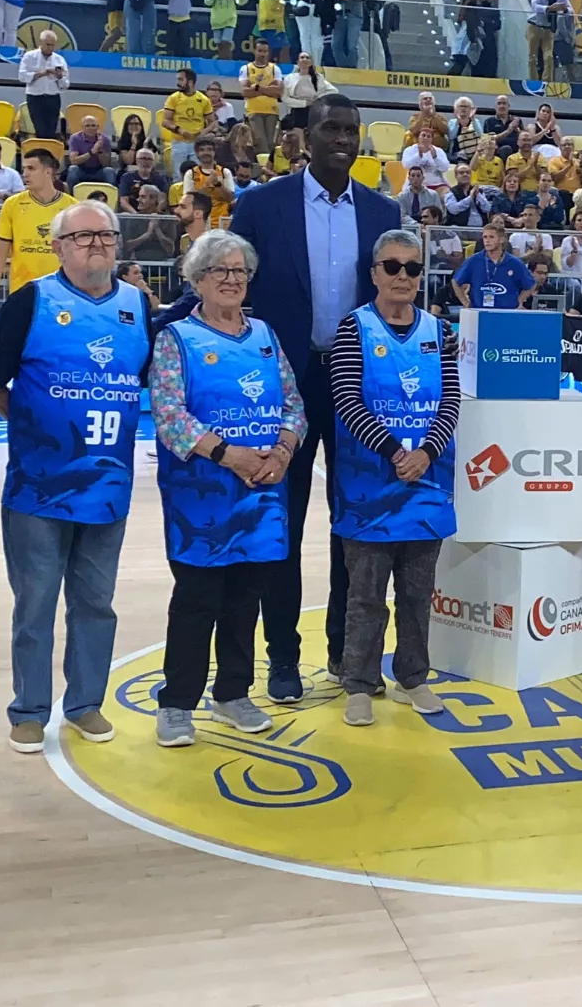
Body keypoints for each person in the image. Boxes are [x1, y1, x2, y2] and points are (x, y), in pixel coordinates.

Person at [228, 93, 401, 690]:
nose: (343, 140)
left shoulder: (382, 210)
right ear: (306, 136)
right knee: (284, 519)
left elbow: (393, 300)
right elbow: (230, 285)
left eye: (352, 130)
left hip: (356, 384)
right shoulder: (261, 204)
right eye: (332, 128)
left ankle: (345, 652)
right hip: (283, 384)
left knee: (351, 523)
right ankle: (282, 655)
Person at [0, 201, 152, 753]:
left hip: (109, 486)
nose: (97, 244)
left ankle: (84, 703)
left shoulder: (137, 305)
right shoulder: (31, 301)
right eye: (83, 236)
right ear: (58, 247)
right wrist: (37, 426)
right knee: (35, 604)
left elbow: (147, 381)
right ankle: (29, 709)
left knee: (96, 603)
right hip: (39, 486)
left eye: (106, 235)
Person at [148, 231, 305, 745]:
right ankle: (177, 703)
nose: (233, 279)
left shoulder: (265, 335)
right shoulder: (176, 338)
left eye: (240, 271)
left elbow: (294, 405)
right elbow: (169, 415)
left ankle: (233, 694)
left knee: (245, 599)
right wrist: (228, 454)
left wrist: (282, 452)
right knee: (196, 601)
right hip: (201, 501)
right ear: (197, 280)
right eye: (221, 270)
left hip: (262, 495)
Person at [328, 230, 460, 726]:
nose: (402, 276)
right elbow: (347, 400)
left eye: (412, 267)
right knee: (365, 597)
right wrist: (395, 452)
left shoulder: (438, 331)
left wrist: (425, 453)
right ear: (374, 274)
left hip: (427, 485)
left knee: (417, 594)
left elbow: (451, 399)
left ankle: (413, 677)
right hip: (368, 489)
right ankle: (360, 683)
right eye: (392, 266)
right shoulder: (354, 328)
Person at [0, 147, 71, 299]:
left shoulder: (72, 208)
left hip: (61, 294)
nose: (25, 174)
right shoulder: (12, 205)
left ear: (48, 172)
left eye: (31, 168)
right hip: (21, 292)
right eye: (24, 169)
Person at [18, 29, 69, 140]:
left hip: (53, 97)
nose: (50, 47)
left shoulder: (59, 59)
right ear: (41, 43)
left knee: (51, 130)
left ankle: (48, 150)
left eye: (52, 45)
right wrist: (42, 73)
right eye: (47, 44)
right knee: (40, 129)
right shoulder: (29, 56)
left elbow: (65, 84)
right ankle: (41, 149)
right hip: (35, 97)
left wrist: (59, 77)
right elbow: (22, 77)